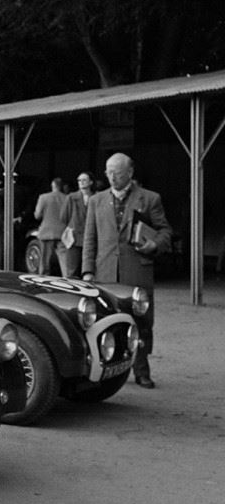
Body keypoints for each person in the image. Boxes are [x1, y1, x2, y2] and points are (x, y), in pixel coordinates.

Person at [83, 153, 171, 389]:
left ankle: (141, 370)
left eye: (117, 173)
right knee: (106, 323)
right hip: (105, 273)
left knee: (141, 322)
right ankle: (106, 373)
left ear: (130, 173)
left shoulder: (150, 199)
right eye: (108, 172)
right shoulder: (96, 201)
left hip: (137, 272)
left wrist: (155, 245)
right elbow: (89, 239)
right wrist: (87, 272)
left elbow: (165, 232)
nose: (112, 177)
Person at [58, 172, 94, 278]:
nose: (81, 183)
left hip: (91, 239)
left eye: (84, 180)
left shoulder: (96, 198)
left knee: (89, 270)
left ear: (91, 182)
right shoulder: (71, 198)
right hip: (75, 239)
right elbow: (64, 217)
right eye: (79, 180)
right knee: (72, 271)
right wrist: (73, 225)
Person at [34, 177, 69, 275]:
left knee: (45, 262)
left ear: (53, 185)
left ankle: (43, 280)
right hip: (62, 233)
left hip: (46, 233)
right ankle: (67, 280)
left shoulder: (43, 197)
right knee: (64, 262)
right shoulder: (67, 198)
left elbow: (38, 215)